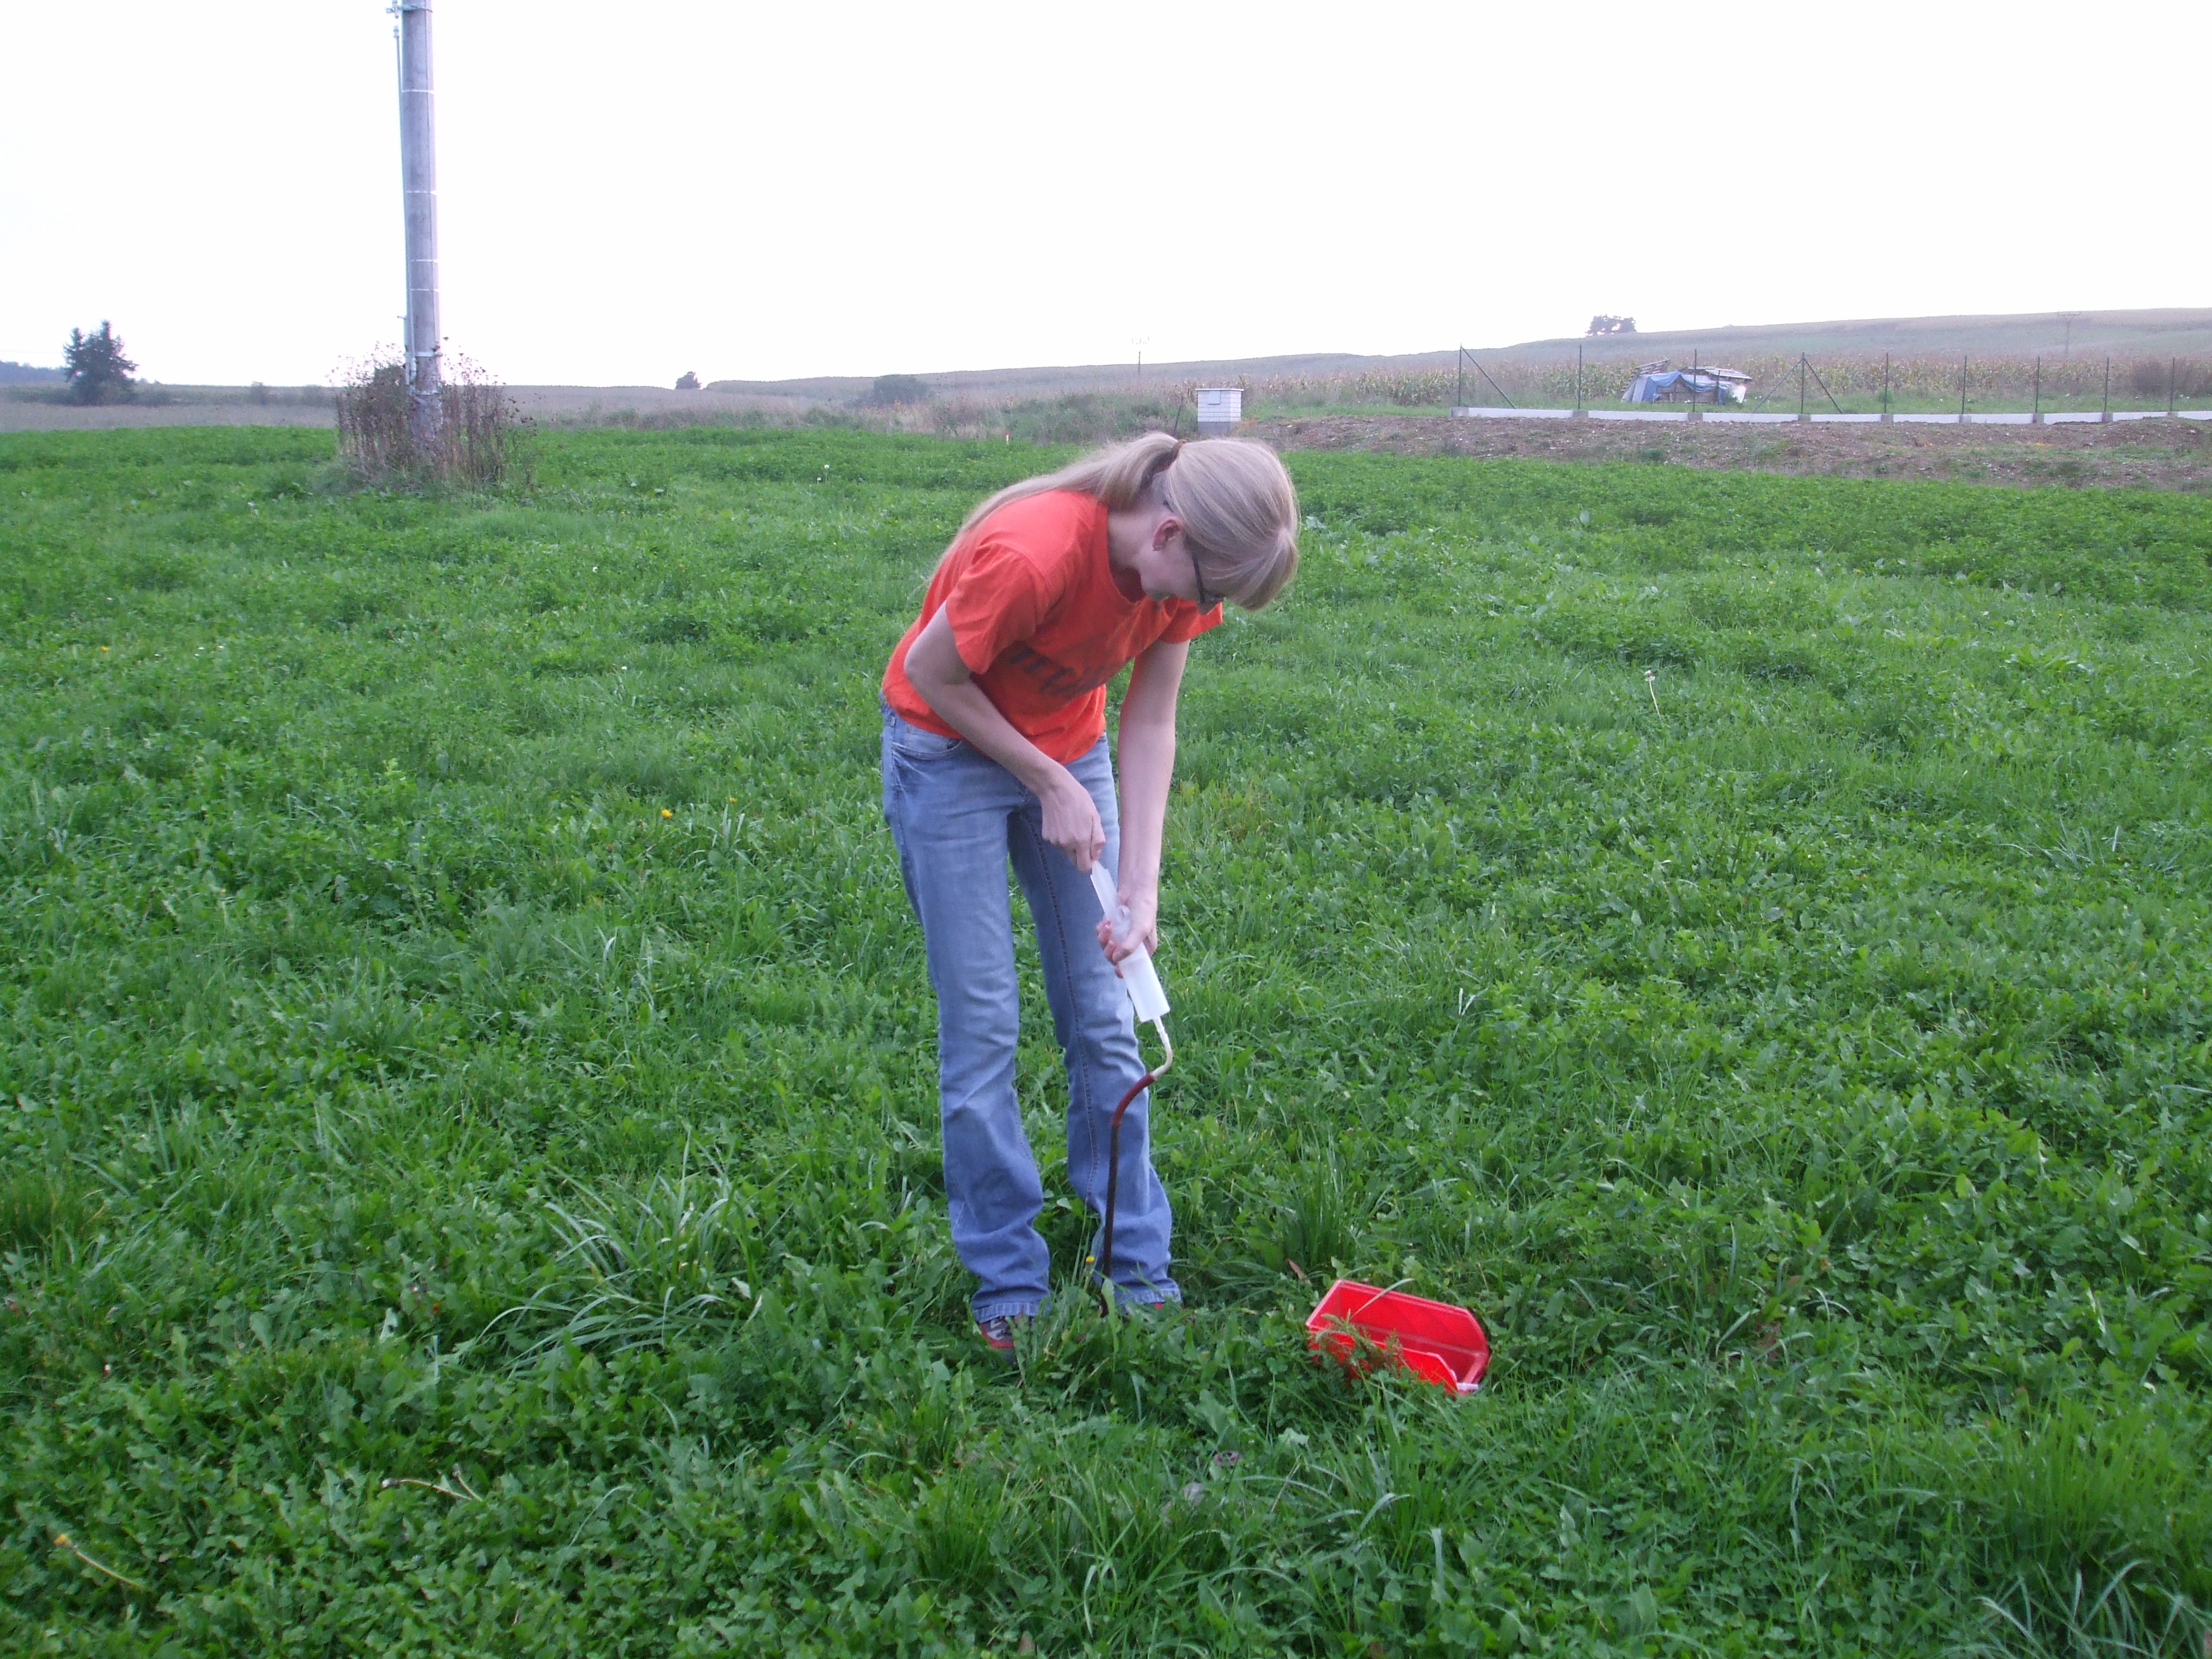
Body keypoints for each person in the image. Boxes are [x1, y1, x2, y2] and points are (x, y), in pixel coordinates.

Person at [879, 431, 1299, 1353]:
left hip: (1071, 753)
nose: (1202, 611)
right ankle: (1007, 1282)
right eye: (1207, 590)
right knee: (984, 1024)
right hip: (945, 752)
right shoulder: (1035, 550)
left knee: (1104, 1015)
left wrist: (1139, 894)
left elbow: (1149, 723)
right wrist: (1046, 782)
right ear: (1169, 534)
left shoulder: (1181, 579)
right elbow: (930, 673)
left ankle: (1135, 1265)